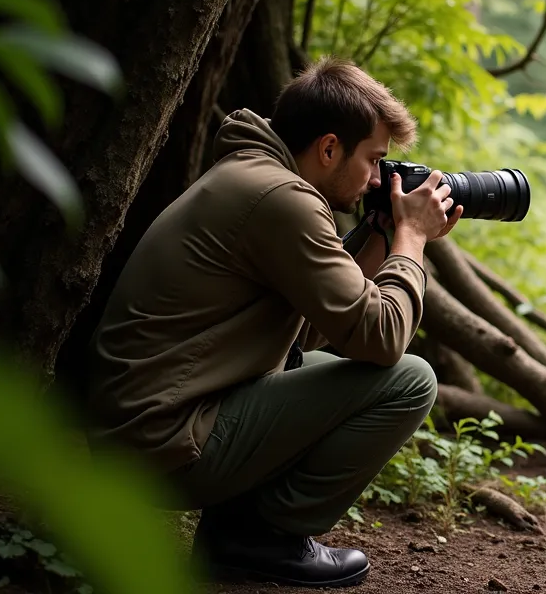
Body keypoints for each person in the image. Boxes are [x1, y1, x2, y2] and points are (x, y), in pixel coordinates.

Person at [83, 56, 463, 588]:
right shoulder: (283, 200)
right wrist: (412, 239)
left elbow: (312, 330)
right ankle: (260, 537)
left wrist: (381, 235)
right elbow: (382, 338)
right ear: (330, 148)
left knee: (317, 362)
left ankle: (238, 532)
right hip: (162, 444)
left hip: (148, 428)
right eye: (375, 160)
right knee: (409, 379)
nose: (380, 178)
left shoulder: (254, 177)